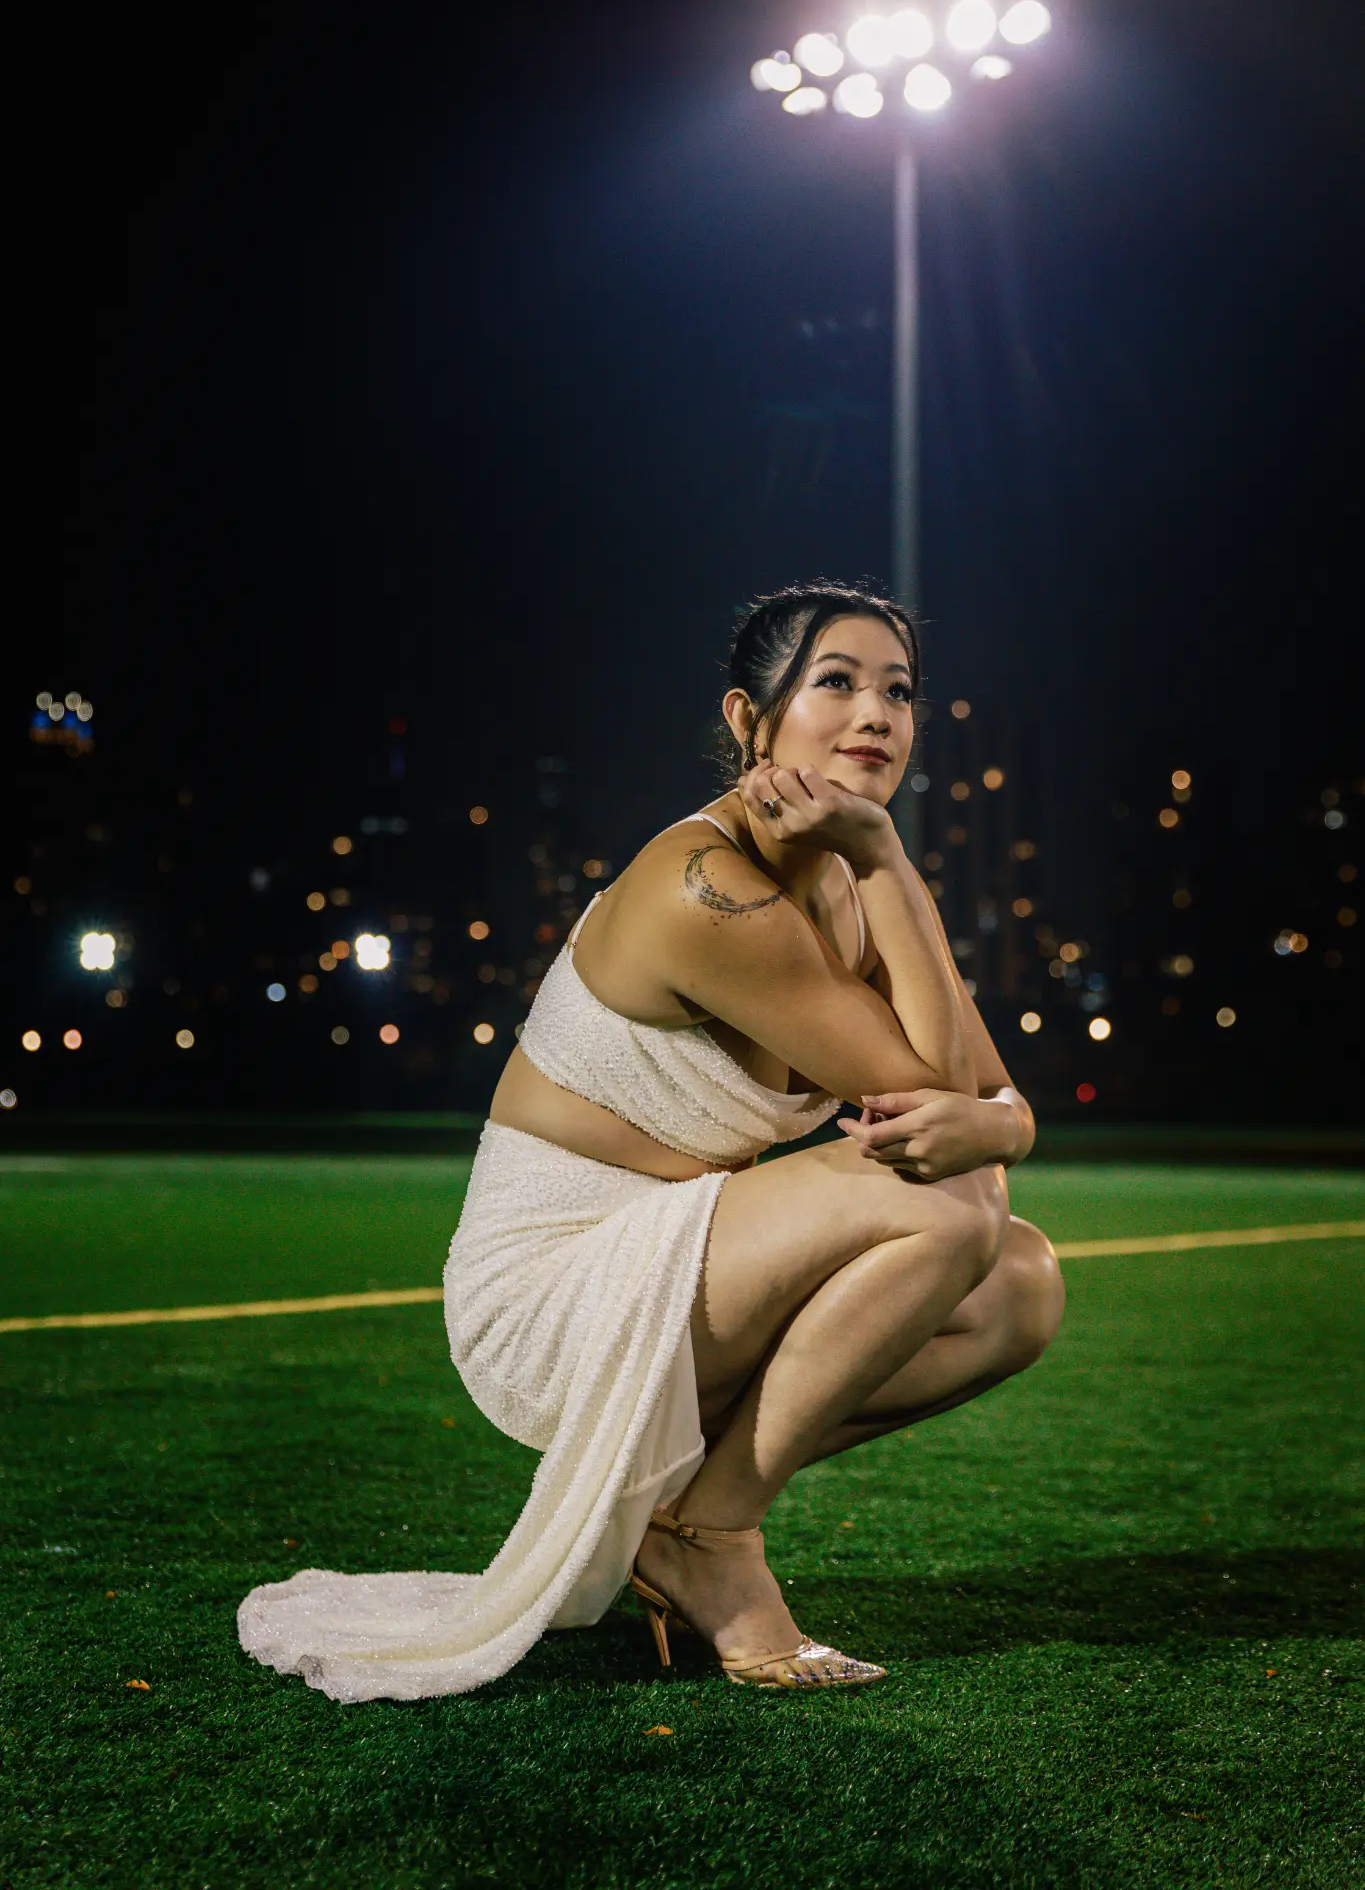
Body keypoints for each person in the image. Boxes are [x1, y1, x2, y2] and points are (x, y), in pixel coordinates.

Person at [238, 582, 1064, 1702]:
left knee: (1021, 1284)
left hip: (678, 1269)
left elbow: (987, 1102)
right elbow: (939, 1109)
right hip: (548, 1293)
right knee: (953, 1207)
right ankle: (712, 1539)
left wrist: (883, 876)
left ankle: (680, 1513)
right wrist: (881, 850)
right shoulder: (702, 886)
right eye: (837, 681)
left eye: (899, 690)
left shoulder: (851, 885)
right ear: (747, 718)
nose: (877, 713)